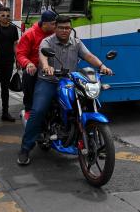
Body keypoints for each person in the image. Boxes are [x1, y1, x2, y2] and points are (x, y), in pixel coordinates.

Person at [17, 16, 113, 166]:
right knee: (38, 110)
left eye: (67, 28)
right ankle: (25, 149)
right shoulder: (47, 42)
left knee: (89, 101)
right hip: (49, 81)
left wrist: (102, 66)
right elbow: (43, 56)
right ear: (55, 28)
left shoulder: (76, 43)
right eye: (61, 28)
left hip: (69, 81)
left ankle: (92, 141)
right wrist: (46, 66)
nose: (64, 30)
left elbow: (88, 56)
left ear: (71, 29)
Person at [15, 10, 56, 115]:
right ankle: (29, 109)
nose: (56, 26)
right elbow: (20, 54)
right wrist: (28, 63)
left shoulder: (56, 33)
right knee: (28, 74)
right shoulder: (30, 34)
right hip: (35, 67)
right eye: (53, 24)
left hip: (52, 67)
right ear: (45, 23)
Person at [0, 6, 19, 121]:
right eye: (3, 15)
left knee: (5, 88)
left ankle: (5, 113)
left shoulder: (13, 29)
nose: (6, 17)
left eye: (7, 15)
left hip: (8, 62)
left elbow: (15, 45)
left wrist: (18, 59)